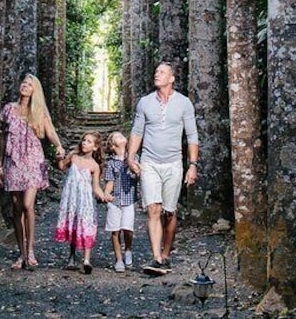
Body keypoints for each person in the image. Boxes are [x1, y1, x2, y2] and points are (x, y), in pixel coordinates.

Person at [127, 61, 198, 276]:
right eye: (156, 71)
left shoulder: (184, 103)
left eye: (162, 72)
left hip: (174, 163)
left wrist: (192, 165)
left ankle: (166, 253)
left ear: (172, 78)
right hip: (149, 162)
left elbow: (192, 135)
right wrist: (131, 157)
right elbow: (137, 131)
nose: (157, 74)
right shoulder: (145, 102)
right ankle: (156, 257)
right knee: (153, 209)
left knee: (169, 212)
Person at [0, 74, 66, 271]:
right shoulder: (9, 109)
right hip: (13, 162)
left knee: (28, 204)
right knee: (16, 207)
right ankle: (21, 254)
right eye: (24, 83)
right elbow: (3, 138)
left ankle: (31, 250)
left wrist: (59, 146)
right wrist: (0, 165)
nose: (25, 86)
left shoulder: (38, 111)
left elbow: (50, 132)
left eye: (30, 84)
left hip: (33, 162)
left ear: (35, 90)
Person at [53, 131, 113, 274]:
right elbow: (61, 166)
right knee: (73, 224)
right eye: (84, 140)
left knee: (86, 225)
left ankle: (86, 260)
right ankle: (72, 257)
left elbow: (96, 187)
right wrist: (59, 157)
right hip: (71, 197)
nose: (85, 143)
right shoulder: (73, 157)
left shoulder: (94, 166)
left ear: (95, 147)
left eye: (89, 142)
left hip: (86, 200)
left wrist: (105, 196)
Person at [103, 131, 137, 272]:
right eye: (117, 136)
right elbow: (110, 181)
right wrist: (106, 193)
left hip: (129, 199)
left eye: (122, 135)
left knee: (128, 230)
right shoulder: (111, 163)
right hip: (115, 200)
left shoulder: (134, 158)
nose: (121, 137)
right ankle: (118, 259)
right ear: (112, 145)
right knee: (115, 231)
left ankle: (128, 250)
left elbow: (137, 175)